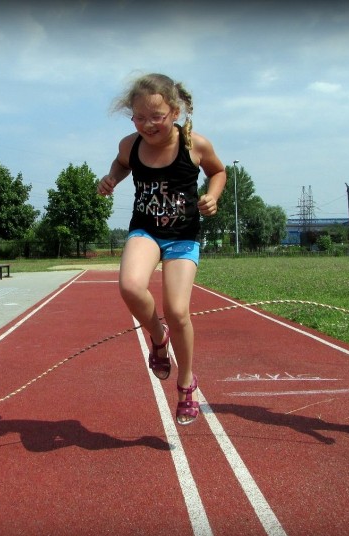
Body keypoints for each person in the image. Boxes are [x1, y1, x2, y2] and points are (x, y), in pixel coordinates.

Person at [97, 73, 226, 425]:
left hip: (183, 235)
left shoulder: (194, 145)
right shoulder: (129, 145)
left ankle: (186, 383)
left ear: (174, 111)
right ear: (131, 116)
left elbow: (218, 172)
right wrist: (110, 179)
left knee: (178, 309)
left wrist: (212, 196)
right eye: (139, 117)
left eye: (157, 117)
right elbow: (121, 164)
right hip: (146, 228)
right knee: (130, 286)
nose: (148, 125)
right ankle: (158, 335)